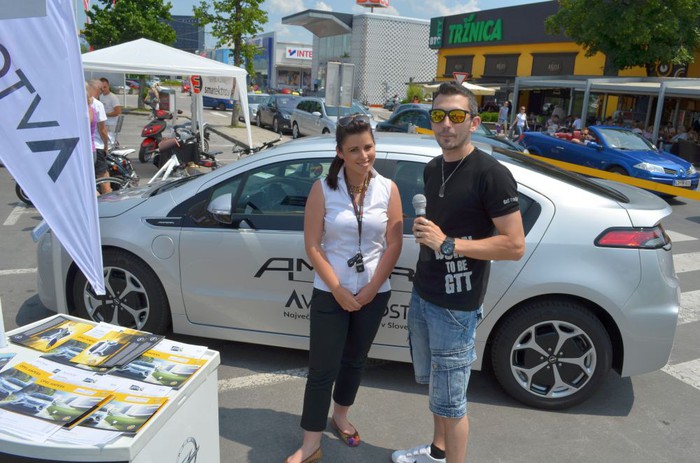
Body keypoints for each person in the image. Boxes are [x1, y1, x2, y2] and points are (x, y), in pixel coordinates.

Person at [392, 82, 525, 463]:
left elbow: (514, 245)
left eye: (455, 116)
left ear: (474, 122)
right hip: (425, 293)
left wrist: (448, 244)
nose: (446, 124)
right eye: (438, 115)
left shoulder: (491, 174)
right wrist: (428, 234)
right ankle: (437, 452)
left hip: (457, 306)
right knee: (437, 388)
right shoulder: (433, 168)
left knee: (452, 403)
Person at [286, 114, 403, 463]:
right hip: (330, 291)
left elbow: (394, 244)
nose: (363, 156)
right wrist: (337, 289)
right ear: (340, 152)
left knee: (354, 361)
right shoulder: (323, 189)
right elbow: (312, 244)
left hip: (374, 292)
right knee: (322, 369)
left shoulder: (388, 188)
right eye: (354, 150)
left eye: (368, 147)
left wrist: (371, 289)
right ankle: (310, 443)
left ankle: (340, 416)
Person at [88, 80, 111, 193]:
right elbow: (102, 130)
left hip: (83, 147)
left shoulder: (76, 103)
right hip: (96, 145)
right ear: (95, 89)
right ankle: (109, 200)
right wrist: (106, 145)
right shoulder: (97, 105)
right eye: (100, 89)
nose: (101, 92)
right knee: (103, 178)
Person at [99, 77, 122, 145]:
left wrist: (105, 114)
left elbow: (118, 111)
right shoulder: (101, 96)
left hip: (111, 124)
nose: (103, 89)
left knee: (111, 141)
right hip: (104, 123)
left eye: (105, 87)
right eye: (101, 88)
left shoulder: (113, 97)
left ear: (108, 86)